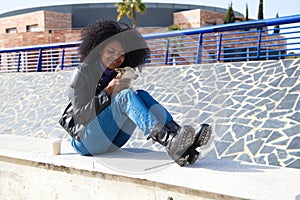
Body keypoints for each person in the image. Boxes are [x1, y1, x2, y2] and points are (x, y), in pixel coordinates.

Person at [67, 19, 212, 166]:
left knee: (140, 94)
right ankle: (169, 141)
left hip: (113, 141)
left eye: (122, 54)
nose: (117, 57)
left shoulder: (115, 73)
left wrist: (120, 88)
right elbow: (80, 116)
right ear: (99, 49)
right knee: (126, 96)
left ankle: (181, 141)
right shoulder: (82, 73)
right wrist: (108, 90)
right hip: (85, 141)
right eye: (111, 51)